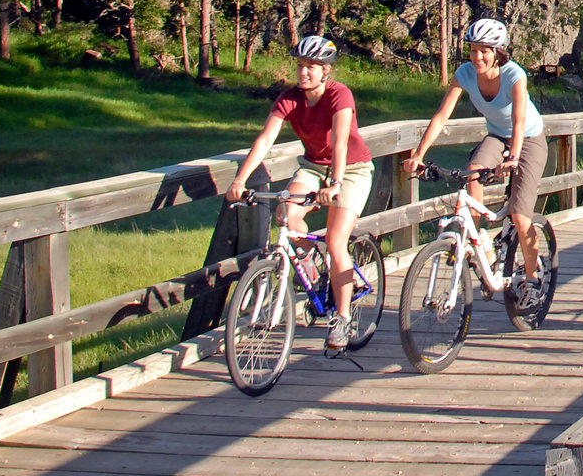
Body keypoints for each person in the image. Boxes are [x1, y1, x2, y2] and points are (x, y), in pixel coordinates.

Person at [226, 34, 371, 352]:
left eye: (312, 67)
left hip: (352, 170)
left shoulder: (339, 95)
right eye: (301, 65)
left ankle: (342, 318)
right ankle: (313, 268)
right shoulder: (289, 98)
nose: (304, 72)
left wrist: (335, 184)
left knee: (335, 242)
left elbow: (342, 141)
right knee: (287, 216)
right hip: (313, 166)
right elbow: (265, 140)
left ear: (326, 71)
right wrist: (239, 181)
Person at [405, 18, 549, 308]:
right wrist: (419, 155)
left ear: (498, 51)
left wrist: (513, 156)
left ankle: (533, 280)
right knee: (472, 171)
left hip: (529, 141)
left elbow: (520, 121)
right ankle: (481, 239)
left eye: (485, 50)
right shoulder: (465, 74)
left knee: (521, 218)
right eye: (473, 50)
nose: (477, 57)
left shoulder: (513, 75)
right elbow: (442, 115)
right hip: (496, 136)